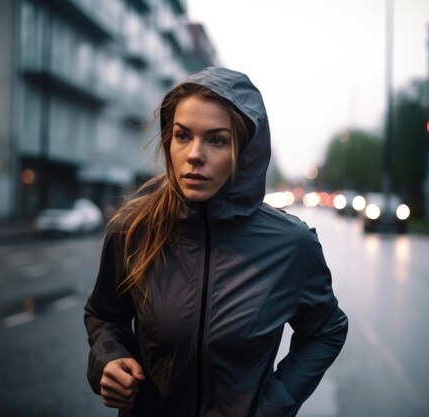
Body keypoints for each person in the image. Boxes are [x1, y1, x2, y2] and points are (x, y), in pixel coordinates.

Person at [84, 67, 348, 417]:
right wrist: (108, 359)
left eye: (216, 139)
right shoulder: (132, 229)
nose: (194, 154)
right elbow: (104, 315)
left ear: (246, 152)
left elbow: (326, 331)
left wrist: (273, 403)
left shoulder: (291, 245)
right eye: (183, 136)